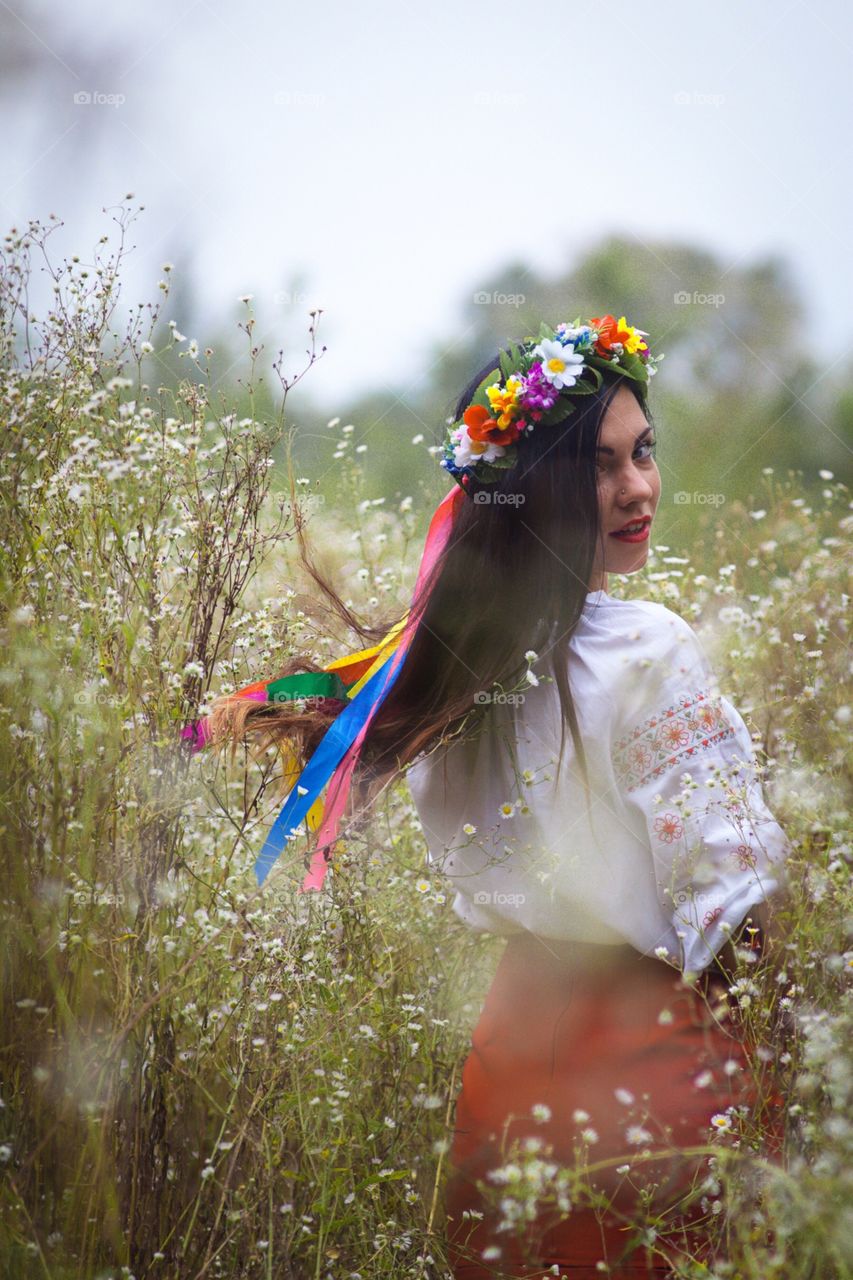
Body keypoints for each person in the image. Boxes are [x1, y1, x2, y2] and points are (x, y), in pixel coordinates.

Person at [196, 315, 791, 1279]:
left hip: (512, 1047)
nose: (636, 487)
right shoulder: (643, 651)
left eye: (642, 452)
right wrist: (774, 1065)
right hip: (653, 1052)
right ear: (534, 490)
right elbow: (733, 898)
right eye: (597, 466)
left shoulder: (441, 660)